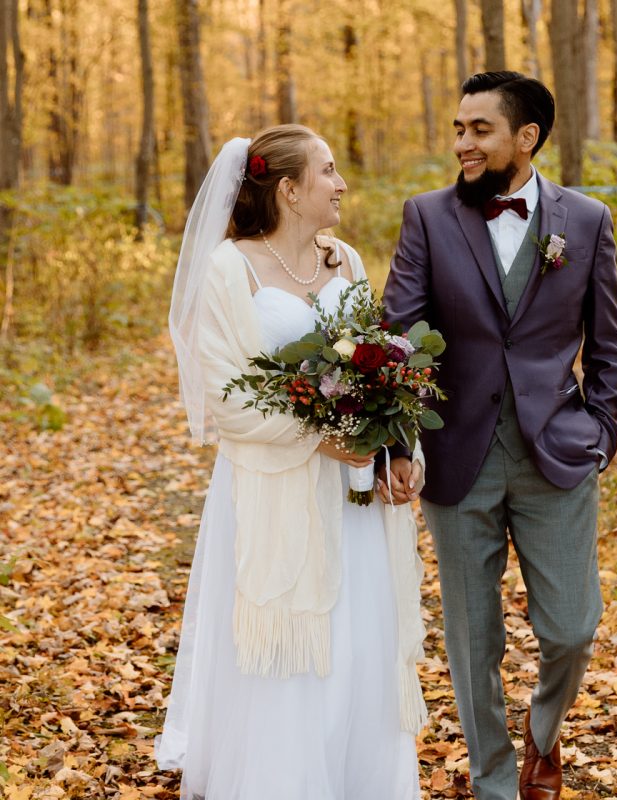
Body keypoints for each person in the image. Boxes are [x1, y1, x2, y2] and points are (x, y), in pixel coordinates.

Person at [156, 125, 427, 800]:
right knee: (291, 663)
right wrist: (319, 440)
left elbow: (379, 369)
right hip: (272, 494)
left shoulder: (348, 260)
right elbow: (229, 401)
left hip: (353, 496)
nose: (340, 184)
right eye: (327, 171)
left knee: (358, 650)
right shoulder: (230, 269)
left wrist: (396, 449)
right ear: (288, 189)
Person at [380, 72, 617, 800]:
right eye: (458, 128)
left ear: (526, 137)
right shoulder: (426, 216)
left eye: (479, 129)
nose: (463, 142)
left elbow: (608, 344)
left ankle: (542, 735)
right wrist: (400, 442)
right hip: (456, 458)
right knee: (472, 640)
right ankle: (493, 780)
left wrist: (601, 433)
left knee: (574, 628)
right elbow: (400, 337)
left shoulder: (585, 220)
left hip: (558, 453)